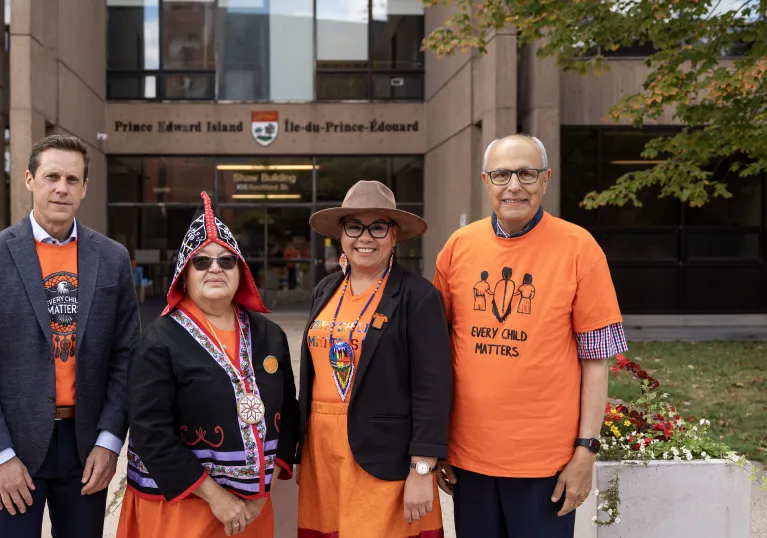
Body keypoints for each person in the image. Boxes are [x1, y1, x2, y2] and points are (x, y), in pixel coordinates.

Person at [432, 134, 627, 538]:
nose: (514, 185)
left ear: (545, 179)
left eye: (526, 173)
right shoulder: (457, 247)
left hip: (546, 465)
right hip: (469, 459)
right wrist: (436, 445)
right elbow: (433, 352)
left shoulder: (579, 248)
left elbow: (597, 360)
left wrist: (585, 451)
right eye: (502, 174)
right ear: (486, 181)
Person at [0, 134, 140, 537]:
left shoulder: (111, 259)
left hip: (86, 445)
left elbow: (126, 356)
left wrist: (109, 442)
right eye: (51, 176)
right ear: (29, 179)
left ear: (85, 187)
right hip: (13, 444)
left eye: (72, 179)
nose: (61, 188)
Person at [118, 191, 299, 538]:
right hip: (182, 507)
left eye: (226, 261)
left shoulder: (270, 335)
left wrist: (265, 491)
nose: (215, 268)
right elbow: (150, 431)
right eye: (201, 261)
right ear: (184, 275)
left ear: (240, 271)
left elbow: (288, 415)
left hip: (253, 509)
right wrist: (216, 497)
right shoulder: (159, 341)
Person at [296, 180, 453, 538]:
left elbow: (433, 387)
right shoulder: (326, 289)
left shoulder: (418, 297)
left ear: (393, 235)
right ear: (342, 234)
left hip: (385, 456)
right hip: (321, 453)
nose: (364, 237)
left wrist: (422, 468)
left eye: (377, 227)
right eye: (354, 226)